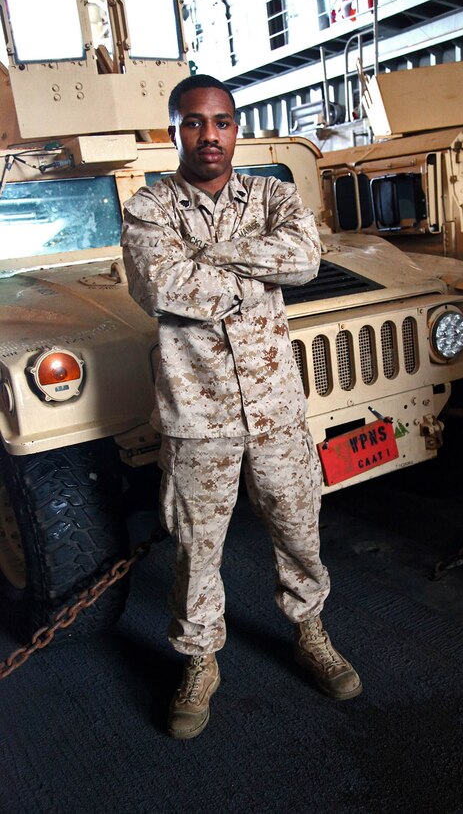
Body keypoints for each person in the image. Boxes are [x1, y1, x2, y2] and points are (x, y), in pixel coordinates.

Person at [121, 74, 361, 740]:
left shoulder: (274, 193)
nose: (209, 136)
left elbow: (304, 260)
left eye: (221, 122)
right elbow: (164, 285)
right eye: (193, 123)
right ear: (171, 131)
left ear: (236, 127)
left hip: (275, 407)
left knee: (298, 531)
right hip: (198, 417)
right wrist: (253, 272)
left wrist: (211, 255)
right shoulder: (149, 208)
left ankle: (310, 631)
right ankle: (200, 661)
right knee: (197, 550)